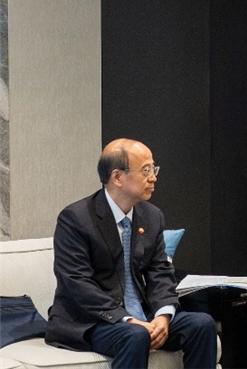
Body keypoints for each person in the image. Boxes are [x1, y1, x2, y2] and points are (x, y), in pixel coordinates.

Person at [45, 139, 217, 368]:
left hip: (142, 316)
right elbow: (77, 282)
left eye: (153, 169)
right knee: (135, 335)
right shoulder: (76, 218)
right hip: (90, 321)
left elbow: (160, 271)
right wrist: (127, 319)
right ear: (117, 177)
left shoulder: (151, 216)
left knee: (201, 324)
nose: (153, 178)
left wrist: (163, 315)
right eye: (145, 170)